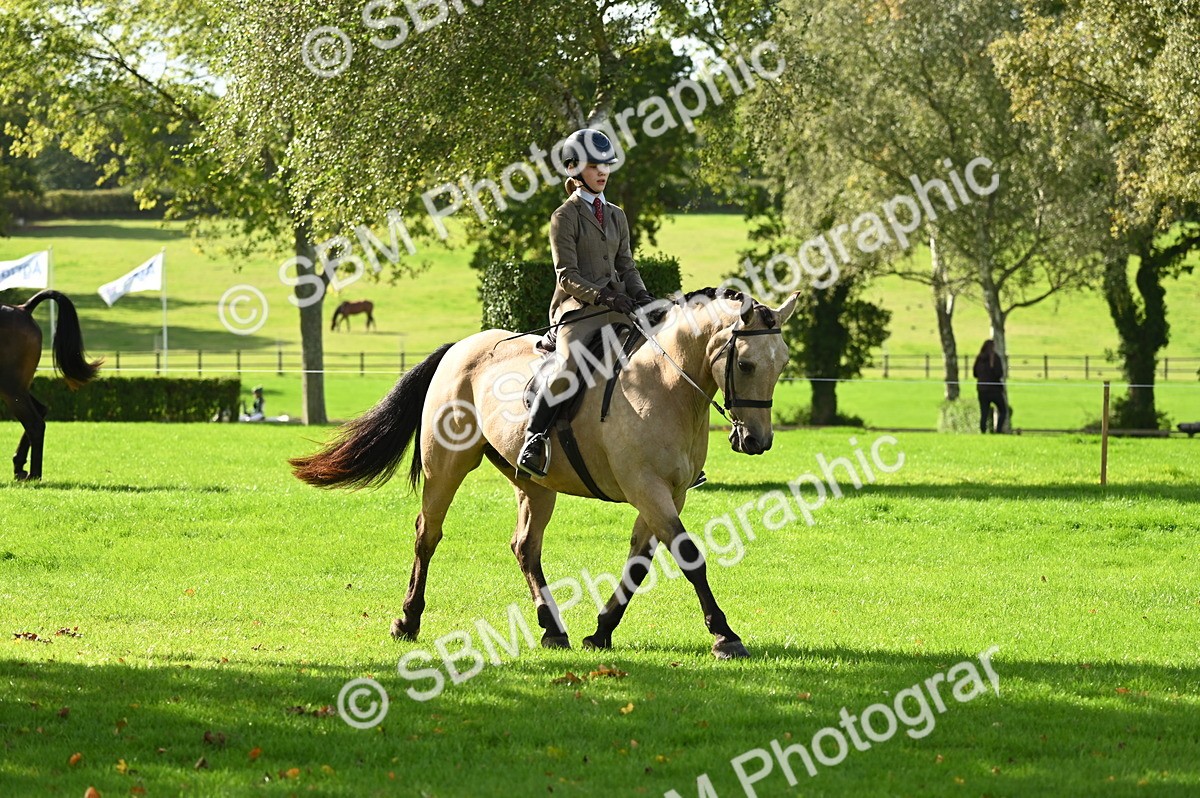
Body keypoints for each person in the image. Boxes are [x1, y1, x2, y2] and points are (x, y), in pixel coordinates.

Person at [516, 128, 656, 477]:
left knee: (659, 354)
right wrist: (605, 295)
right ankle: (534, 440)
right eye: (594, 165)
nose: (603, 171)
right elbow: (566, 275)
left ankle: (666, 448)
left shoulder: (617, 215)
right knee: (566, 369)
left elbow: (626, 265)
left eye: (606, 164)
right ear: (574, 170)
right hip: (578, 312)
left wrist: (640, 295)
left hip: (618, 309)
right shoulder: (564, 217)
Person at [972, 340, 1008, 433]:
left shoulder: (979, 358)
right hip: (995, 390)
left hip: (982, 390)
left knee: (984, 413)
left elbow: (975, 374)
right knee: (1003, 410)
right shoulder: (995, 358)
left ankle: (983, 431)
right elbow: (999, 374)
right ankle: (998, 430)